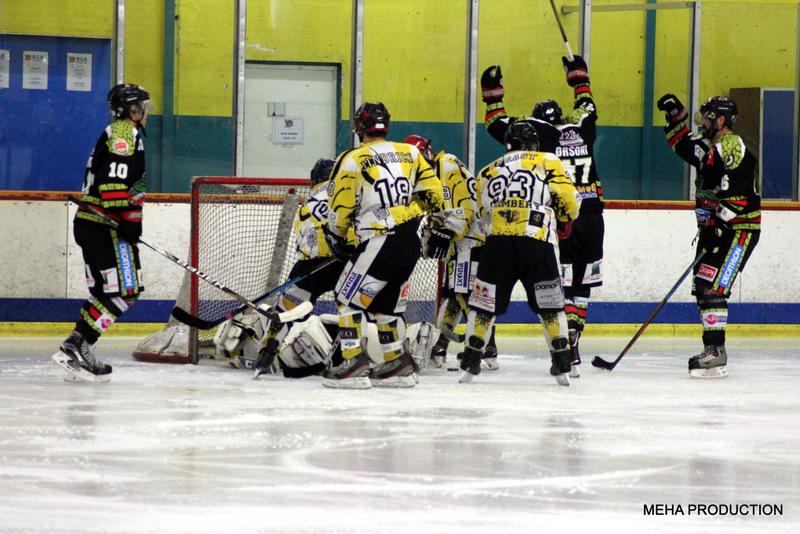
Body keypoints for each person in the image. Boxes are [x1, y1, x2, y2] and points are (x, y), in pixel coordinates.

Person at [480, 55, 604, 378]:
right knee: (582, 287)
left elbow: (497, 123)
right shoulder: (582, 127)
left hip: (564, 218)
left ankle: (565, 347)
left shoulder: (537, 132)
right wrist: (578, 77)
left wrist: (492, 92)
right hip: (593, 217)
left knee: (560, 285)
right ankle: (573, 344)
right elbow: (588, 105)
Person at [323, 102, 446, 389]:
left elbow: (341, 205)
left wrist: (336, 235)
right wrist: (406, 214)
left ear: (359, 127)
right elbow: (435, 196)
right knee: (385, 307)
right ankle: (396, 363)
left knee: (346, 297)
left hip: (378, 239)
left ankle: (353, 363)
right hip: (409, 242)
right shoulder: (411, 153)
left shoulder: (353, 158)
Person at [460, 119, 580, 386]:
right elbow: (569, 200)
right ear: (533, 143)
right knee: (550, 306)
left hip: (497, 243)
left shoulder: (487, 170)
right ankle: (562, 361)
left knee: (483, 307)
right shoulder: (547, 160)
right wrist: (564, 217)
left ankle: (470, 360)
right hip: (537, 242)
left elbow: (480, 212)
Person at [213, 158, 348, 378]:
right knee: (354, 312)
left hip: (309, 267)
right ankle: (351, 360)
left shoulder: (309, 203)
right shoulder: (346, 192)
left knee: (284, 315)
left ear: (314, 180)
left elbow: (305, 242)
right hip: (345, 264)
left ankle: (265, 358)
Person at [52, 84, 151, 382]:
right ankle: (79, 345)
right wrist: (128, 220)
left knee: (104, 293)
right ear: (132, 109)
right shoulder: (124, 133)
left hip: (93, 224)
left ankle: (76, 345)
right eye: (142, 106)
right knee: (126, 291)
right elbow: (112, 183)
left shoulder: (118, 132)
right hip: (106, 225)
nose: (146, 111)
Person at [657, 94, 760, 378]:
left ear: (721, 120)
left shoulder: (731, 145)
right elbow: (683, 145)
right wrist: (675, 118)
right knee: (703, 285)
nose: (702, 121)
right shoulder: (709, 146)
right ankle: (712, 349)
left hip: (738, 230)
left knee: (715, 288)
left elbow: (740, 192)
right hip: (715, 228)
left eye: (707, 117)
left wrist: (720, 222)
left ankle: (716, 352)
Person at [402, 134, 499, 371]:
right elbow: (434, 211)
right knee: (452, 295)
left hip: (471, 240)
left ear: (427, 154)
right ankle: (440, 347)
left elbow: (467, 206)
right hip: (460, 242)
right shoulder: (428, 176)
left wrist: (446, 231)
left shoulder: (448, 164)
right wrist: (434, 232)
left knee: (467, 296)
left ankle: (484, 348)